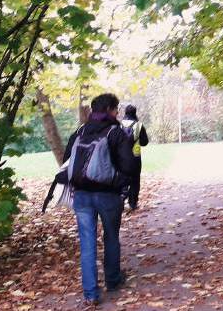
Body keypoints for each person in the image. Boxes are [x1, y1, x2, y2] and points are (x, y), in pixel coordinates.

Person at [59, 93, 137, 306]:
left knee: (87, 243)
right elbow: (129, 165)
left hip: (81, 195)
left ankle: (91, 293)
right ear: (111, 110)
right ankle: (112, 280)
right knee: (111, 237)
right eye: (116, 109)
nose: (118, 113)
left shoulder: (80, 131)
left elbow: (67, 161)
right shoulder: (116, 133)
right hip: (108, 195)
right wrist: (120, 181)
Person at [121, 104, 149, 210]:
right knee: (135, 180)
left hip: (121, 158)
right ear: (135, 112)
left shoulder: (118, 125)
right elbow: (144, 142)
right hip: (134, 157)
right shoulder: (139, 125)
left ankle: (121, 198)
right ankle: (132, 203)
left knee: (122, 179)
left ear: (125, 112)